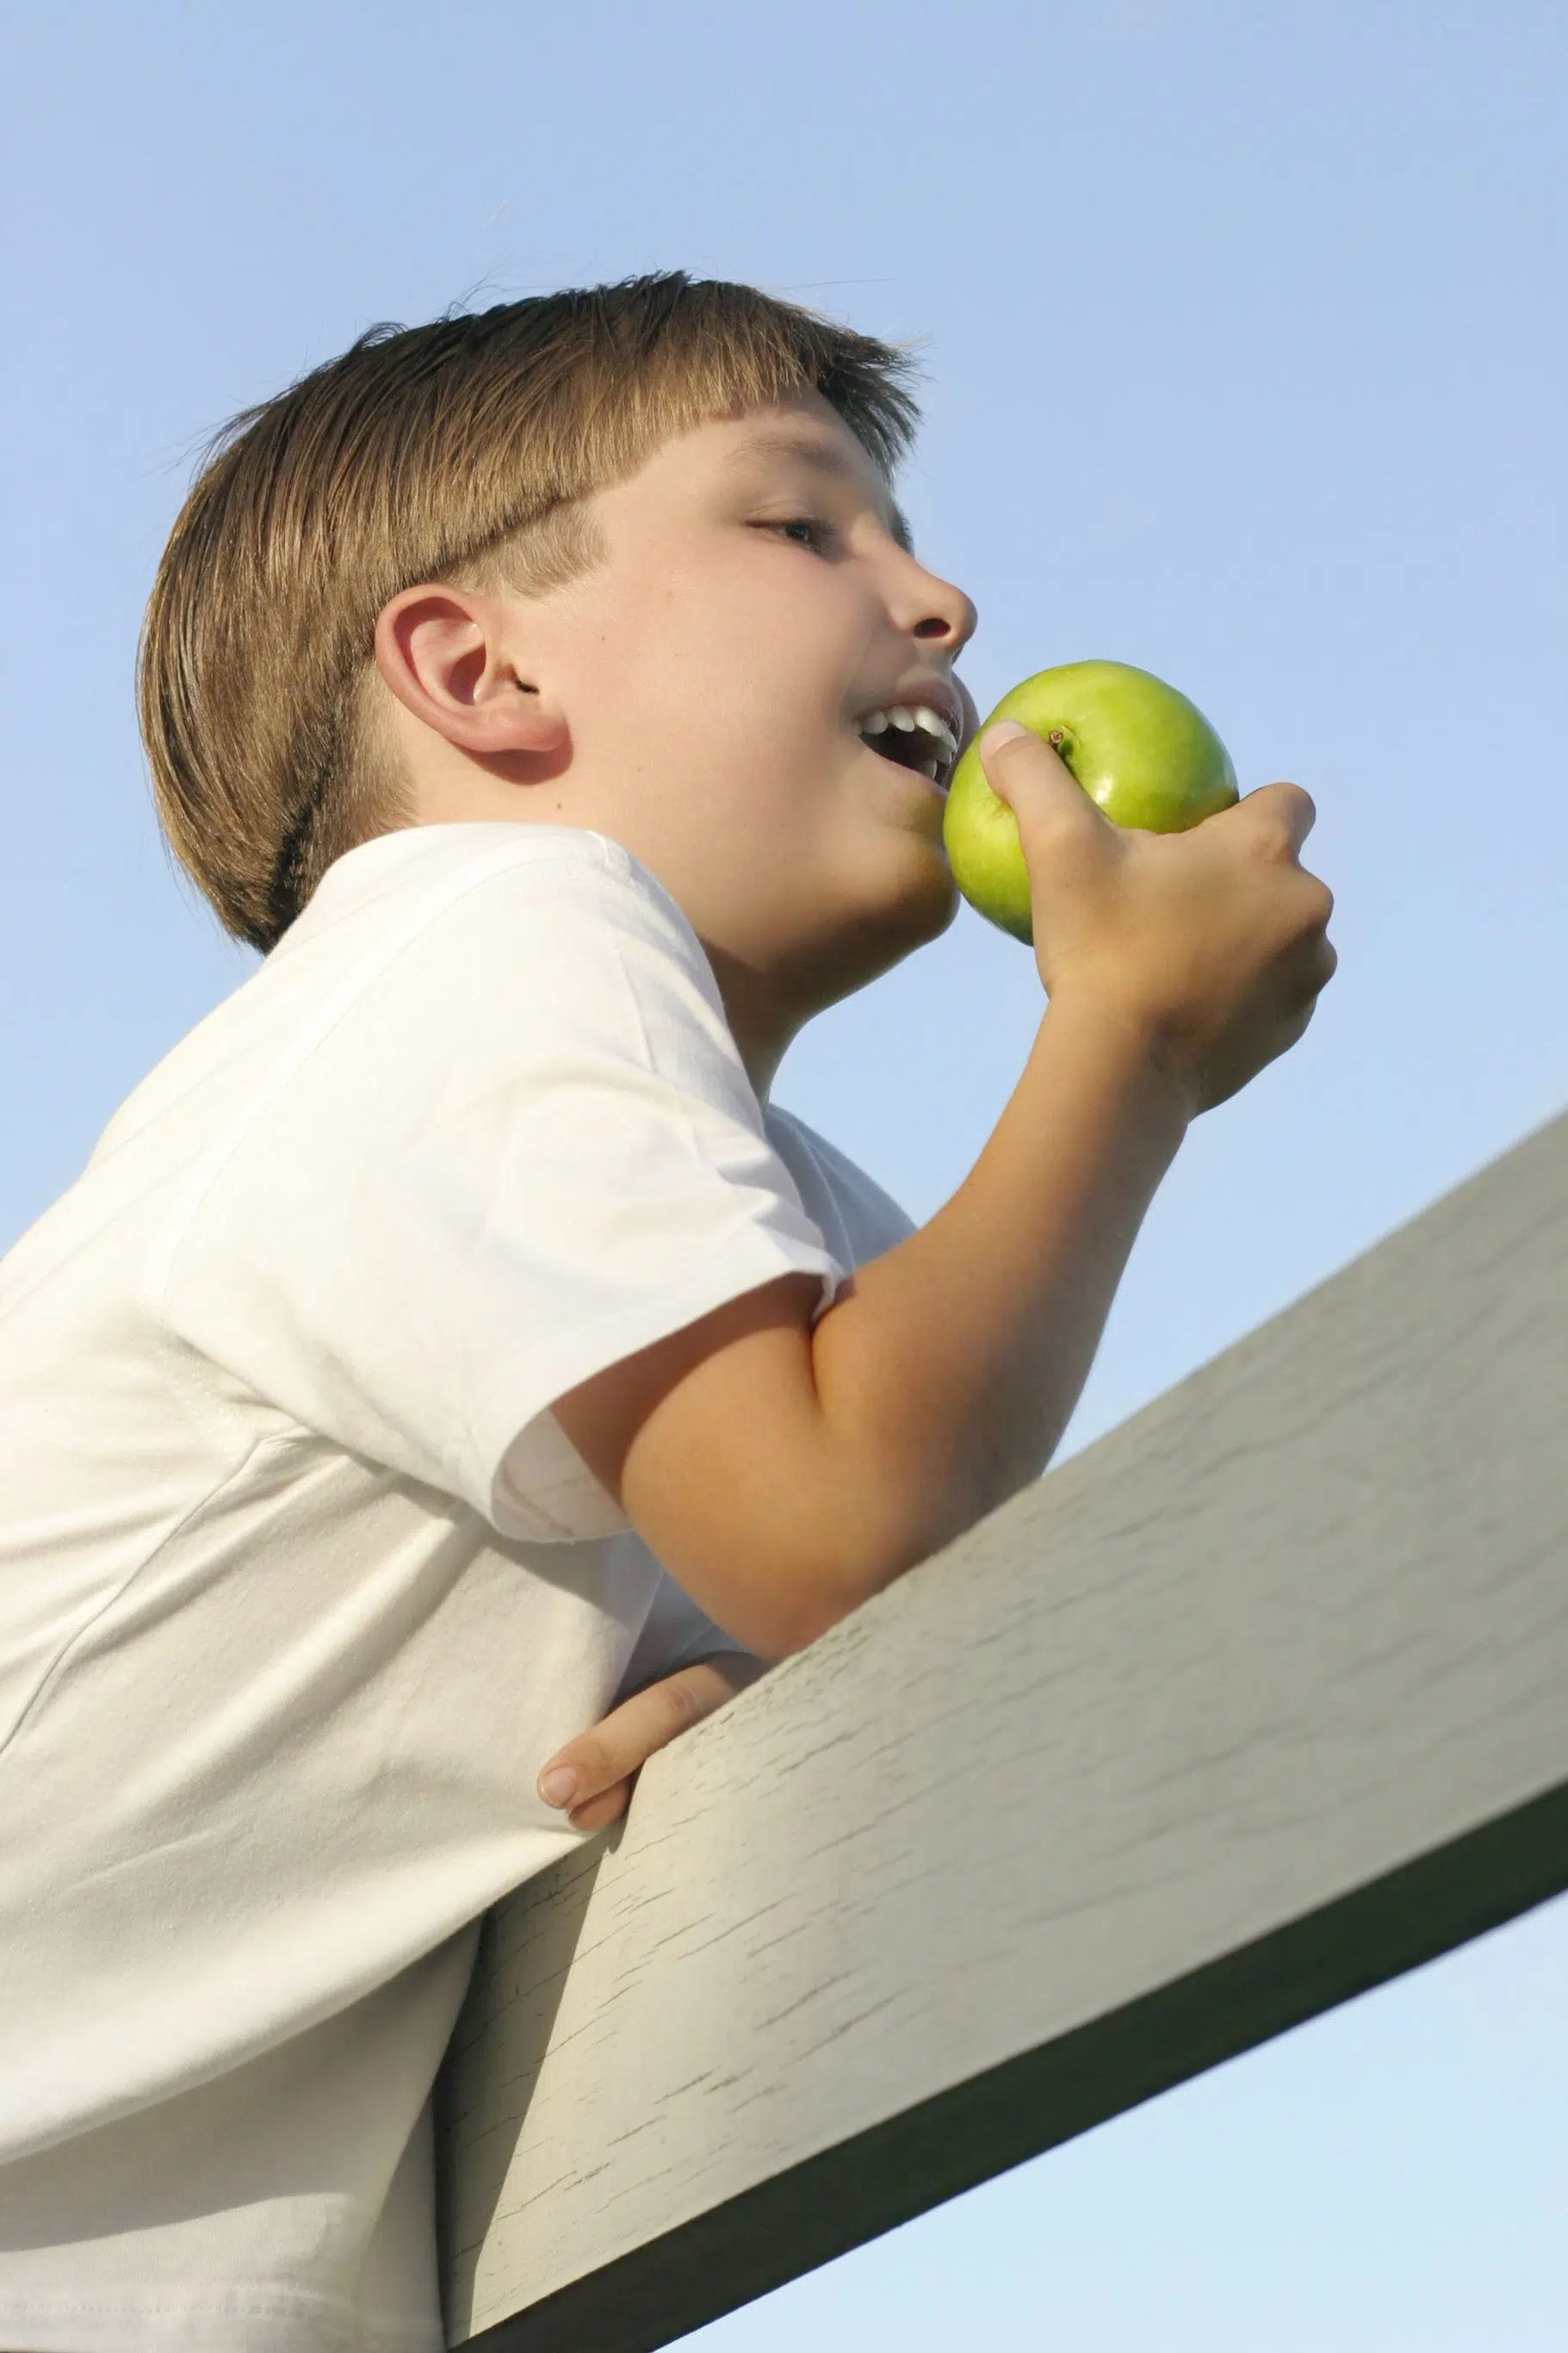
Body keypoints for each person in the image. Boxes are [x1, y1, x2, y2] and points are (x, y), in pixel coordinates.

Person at [0, 272, 1335, 2349]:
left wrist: (747, 1692)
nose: (947, 600)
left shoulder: (806, 1257)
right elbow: (839, 1517)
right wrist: (1132, 1040)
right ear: (478, 670)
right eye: (806, 527)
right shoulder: (474, 940)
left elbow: (869, 1573)